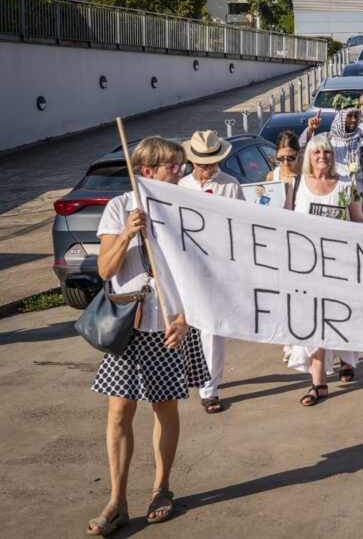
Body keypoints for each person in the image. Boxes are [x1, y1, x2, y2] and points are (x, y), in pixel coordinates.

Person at [87, 137, 209, 534]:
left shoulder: (189, 207)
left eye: (180, 164)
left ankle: (161, 487)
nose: (181, 170)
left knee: (164, 408)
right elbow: (106, 271)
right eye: (173, 165)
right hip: (130, 325)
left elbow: (204, 274)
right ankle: (117, 500)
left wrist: (187, 317)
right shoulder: (119, 207)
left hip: (171, 325)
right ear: (147, 172)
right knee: (119, 412)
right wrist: (126, 233)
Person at [287, 135, 363, 404]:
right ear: (309, 157)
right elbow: (284, 222)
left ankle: (346, 359)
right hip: (307, 267)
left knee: (341, 317)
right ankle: (318, 383)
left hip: (341, 266)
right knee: (313, 322)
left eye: (327, 152)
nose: (322, 156)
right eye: (317, 152)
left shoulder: (347, 184)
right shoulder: (297, 185)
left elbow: (360, 221)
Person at [178, 130, 245, 415]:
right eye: (204, 163)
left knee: (212, 327)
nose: (210, 168)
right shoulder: (180, 186)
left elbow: (242, 226)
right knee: (185, 324)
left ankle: (209, 387)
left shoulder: (230, 185)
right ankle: (188, 374)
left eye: (214, 162)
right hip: (187, 265)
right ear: (193, 162)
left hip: (219, 266)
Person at [325, 108, 363, 220]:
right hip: (335, 192)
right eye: (349, 116)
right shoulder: (328, 140)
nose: (353, 120)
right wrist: (310, 130)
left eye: (355, 116)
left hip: (357, 192)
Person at [265, 130, 302, 210]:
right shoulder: (271, 177)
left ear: (299, 153)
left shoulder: (306, 176)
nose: (286, 162)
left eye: (290, 158)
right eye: (281, 158)